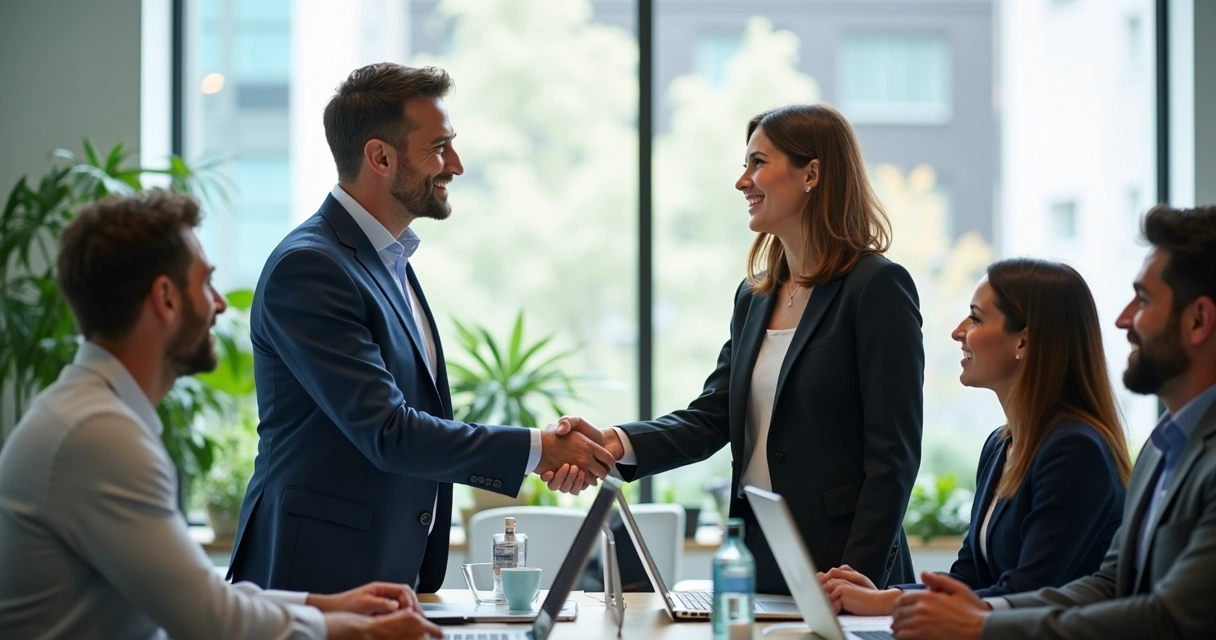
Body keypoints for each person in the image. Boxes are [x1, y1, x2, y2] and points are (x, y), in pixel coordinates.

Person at [227, 63, 613, 595]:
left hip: (384, 575)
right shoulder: (311, 267)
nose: (455, 164)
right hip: (315, 579)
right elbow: (389, 431)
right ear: (380, 157)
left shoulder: (388, 260)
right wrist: (538, 448)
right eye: (439, 148)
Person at [0, 191, 442, 639]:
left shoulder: (90, 415)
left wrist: (324, 604)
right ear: (166, 299)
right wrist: (353, 629)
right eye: (206, 283)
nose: (220, 303)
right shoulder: (98, 436)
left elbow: (191, 590)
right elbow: (210, 621)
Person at [547, 103, 925, 593]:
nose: (742, 181)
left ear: (811, 173)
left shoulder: (876, 287)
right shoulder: (756, 296)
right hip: (759, 559)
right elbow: (713, 417)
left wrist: (858, 577)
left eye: (757, 163)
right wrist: (614, 443)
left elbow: (893, 455)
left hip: (847, 565)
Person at [886, 204, 1216, 640]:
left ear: (1198, 321)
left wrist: (982, 625)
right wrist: (967, 614)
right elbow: (1109, 585)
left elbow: (1170, 618)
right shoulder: (1161, 448)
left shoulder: (1080, 446)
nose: (1121, 319)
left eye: (1145, 300)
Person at [818, 258, 1132, 615]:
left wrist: (887, 602)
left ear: (1024, 341)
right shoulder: (1000, 445)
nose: (958, 331)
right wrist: (883, 592)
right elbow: (969, 578)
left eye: (976, 318)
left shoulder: (1075, 450)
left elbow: (1025, 593)